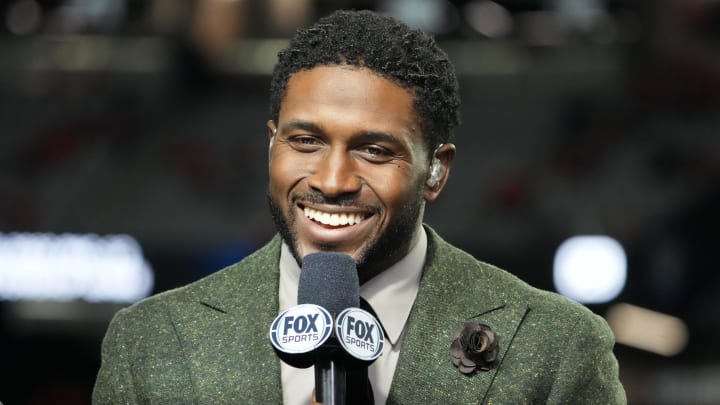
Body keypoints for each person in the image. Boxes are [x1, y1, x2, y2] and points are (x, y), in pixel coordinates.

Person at [93, 9, 626, 405]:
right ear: (271, 144)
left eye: (374, 150)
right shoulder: (151, 341)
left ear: (436, 170)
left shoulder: (557, 347)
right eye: (305, 141)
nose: (332, 180)